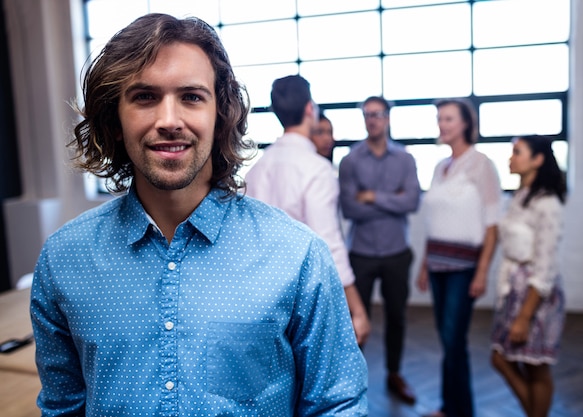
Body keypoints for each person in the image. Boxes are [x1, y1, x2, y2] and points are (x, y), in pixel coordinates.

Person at [29, 14, 368, 417]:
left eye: (191, 97)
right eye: (144, 97)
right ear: (114, 120)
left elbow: (337, 405)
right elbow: (63, 408)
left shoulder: (298, 256)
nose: (169, 121)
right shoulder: (64, 260)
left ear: (220, 115)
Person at [246, 74, 370, 346]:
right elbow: (330, 243)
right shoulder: (316, 169)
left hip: (263, 296)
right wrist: (357, 307)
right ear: (309, 109)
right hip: (306, 297)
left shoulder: (257, 169)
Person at [416, 98, 501, 417]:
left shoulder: (481, 164)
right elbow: (433, 222)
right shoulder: (440, 167)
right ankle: (449, 406)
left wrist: (482, 273)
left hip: (465, 267)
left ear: (466, 123)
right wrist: (424, 265)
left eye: (449, 118)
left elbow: (493, 226)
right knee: (447, 340)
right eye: (440, 118)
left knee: (454, 340)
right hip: (437, 262)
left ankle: (461, 410)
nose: (442, 124)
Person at [338, 96, 421, 405]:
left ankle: (395, 373)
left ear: (387, 118)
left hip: (397, 251)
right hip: (360, 253)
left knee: (397, 316)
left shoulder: (405, 159)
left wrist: (370, 196)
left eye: (377, 114)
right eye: (367, 115)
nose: (372, 120)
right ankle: (351, 380)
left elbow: (411, 203)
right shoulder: (350, 161)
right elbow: (349, 209)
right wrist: (391, 199)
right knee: (356, 319)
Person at [490, 134, 567, 417]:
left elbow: (546, 265)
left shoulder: (548, 204)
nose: (511, 158)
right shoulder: (520, 196)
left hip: (535, 296)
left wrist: (525, 315)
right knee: (502, 358)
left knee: (536, 366)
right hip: (514, 289)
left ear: (537, 160)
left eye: (518, 152)